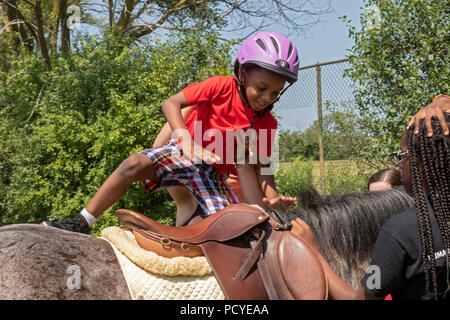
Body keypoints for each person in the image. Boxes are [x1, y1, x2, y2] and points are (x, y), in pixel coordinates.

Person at [41, 32, 299, 233]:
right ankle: (82, 221)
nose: (267, 98)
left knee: (228, 226)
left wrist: (272, 198)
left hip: (211, 173)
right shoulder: (219, 86)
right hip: (182, 152)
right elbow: (171, 104)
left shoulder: (267, 124)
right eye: (261, 88)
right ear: (242, 73)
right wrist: (185, 140)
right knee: (133, 164)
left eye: (275, 92)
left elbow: (264, 169)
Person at [294, 106, 450, 300]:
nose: (398, 164)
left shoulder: (401, 232)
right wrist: (440, 100)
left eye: (402, 156)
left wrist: (314, 251)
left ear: (422, 161)